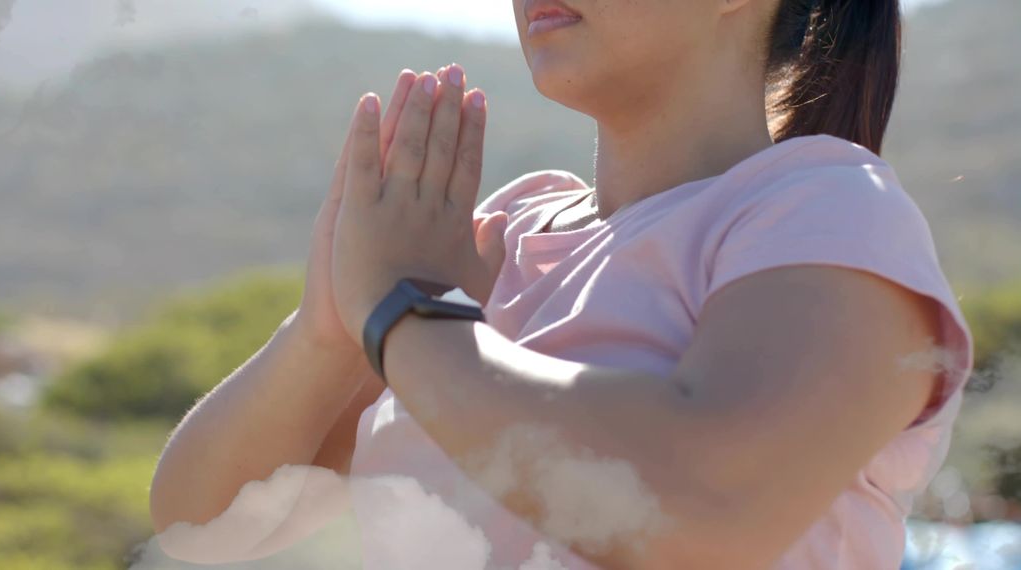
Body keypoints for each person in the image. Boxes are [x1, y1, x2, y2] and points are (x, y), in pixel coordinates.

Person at [149, 0, 975, 568]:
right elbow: (204, 526)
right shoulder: (495, 245)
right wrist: (327, 330)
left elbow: (707, 505)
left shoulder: (829, 205)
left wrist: (403, 316)